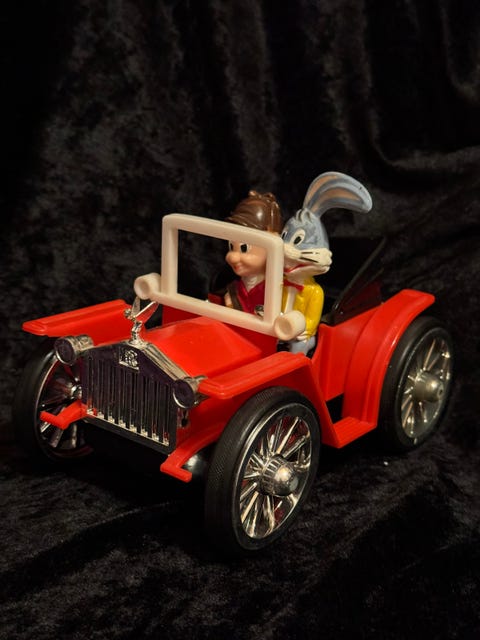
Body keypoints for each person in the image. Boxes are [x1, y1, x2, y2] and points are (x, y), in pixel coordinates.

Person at [223, 191, 282, 314]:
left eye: (244, 248)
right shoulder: (236, 287)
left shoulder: (273, 288)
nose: (233, 257)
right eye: (231, 247)